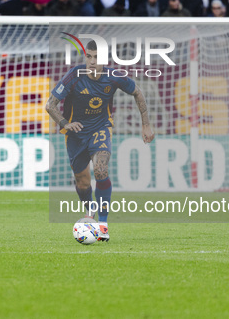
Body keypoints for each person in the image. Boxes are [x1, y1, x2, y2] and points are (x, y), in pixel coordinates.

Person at [45, 40, 155, 241]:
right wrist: (63, 123)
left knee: (101, 168)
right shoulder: (74, 76)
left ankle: (103, 224)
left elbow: (137, 92)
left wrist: (146, 124)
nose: (92, 61)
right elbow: (50, 104)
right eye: (89, 56)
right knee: (82, 181)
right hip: (75, 134)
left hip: (100, 128)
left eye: (97, 58)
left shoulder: (113, 77)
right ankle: (90, 211)